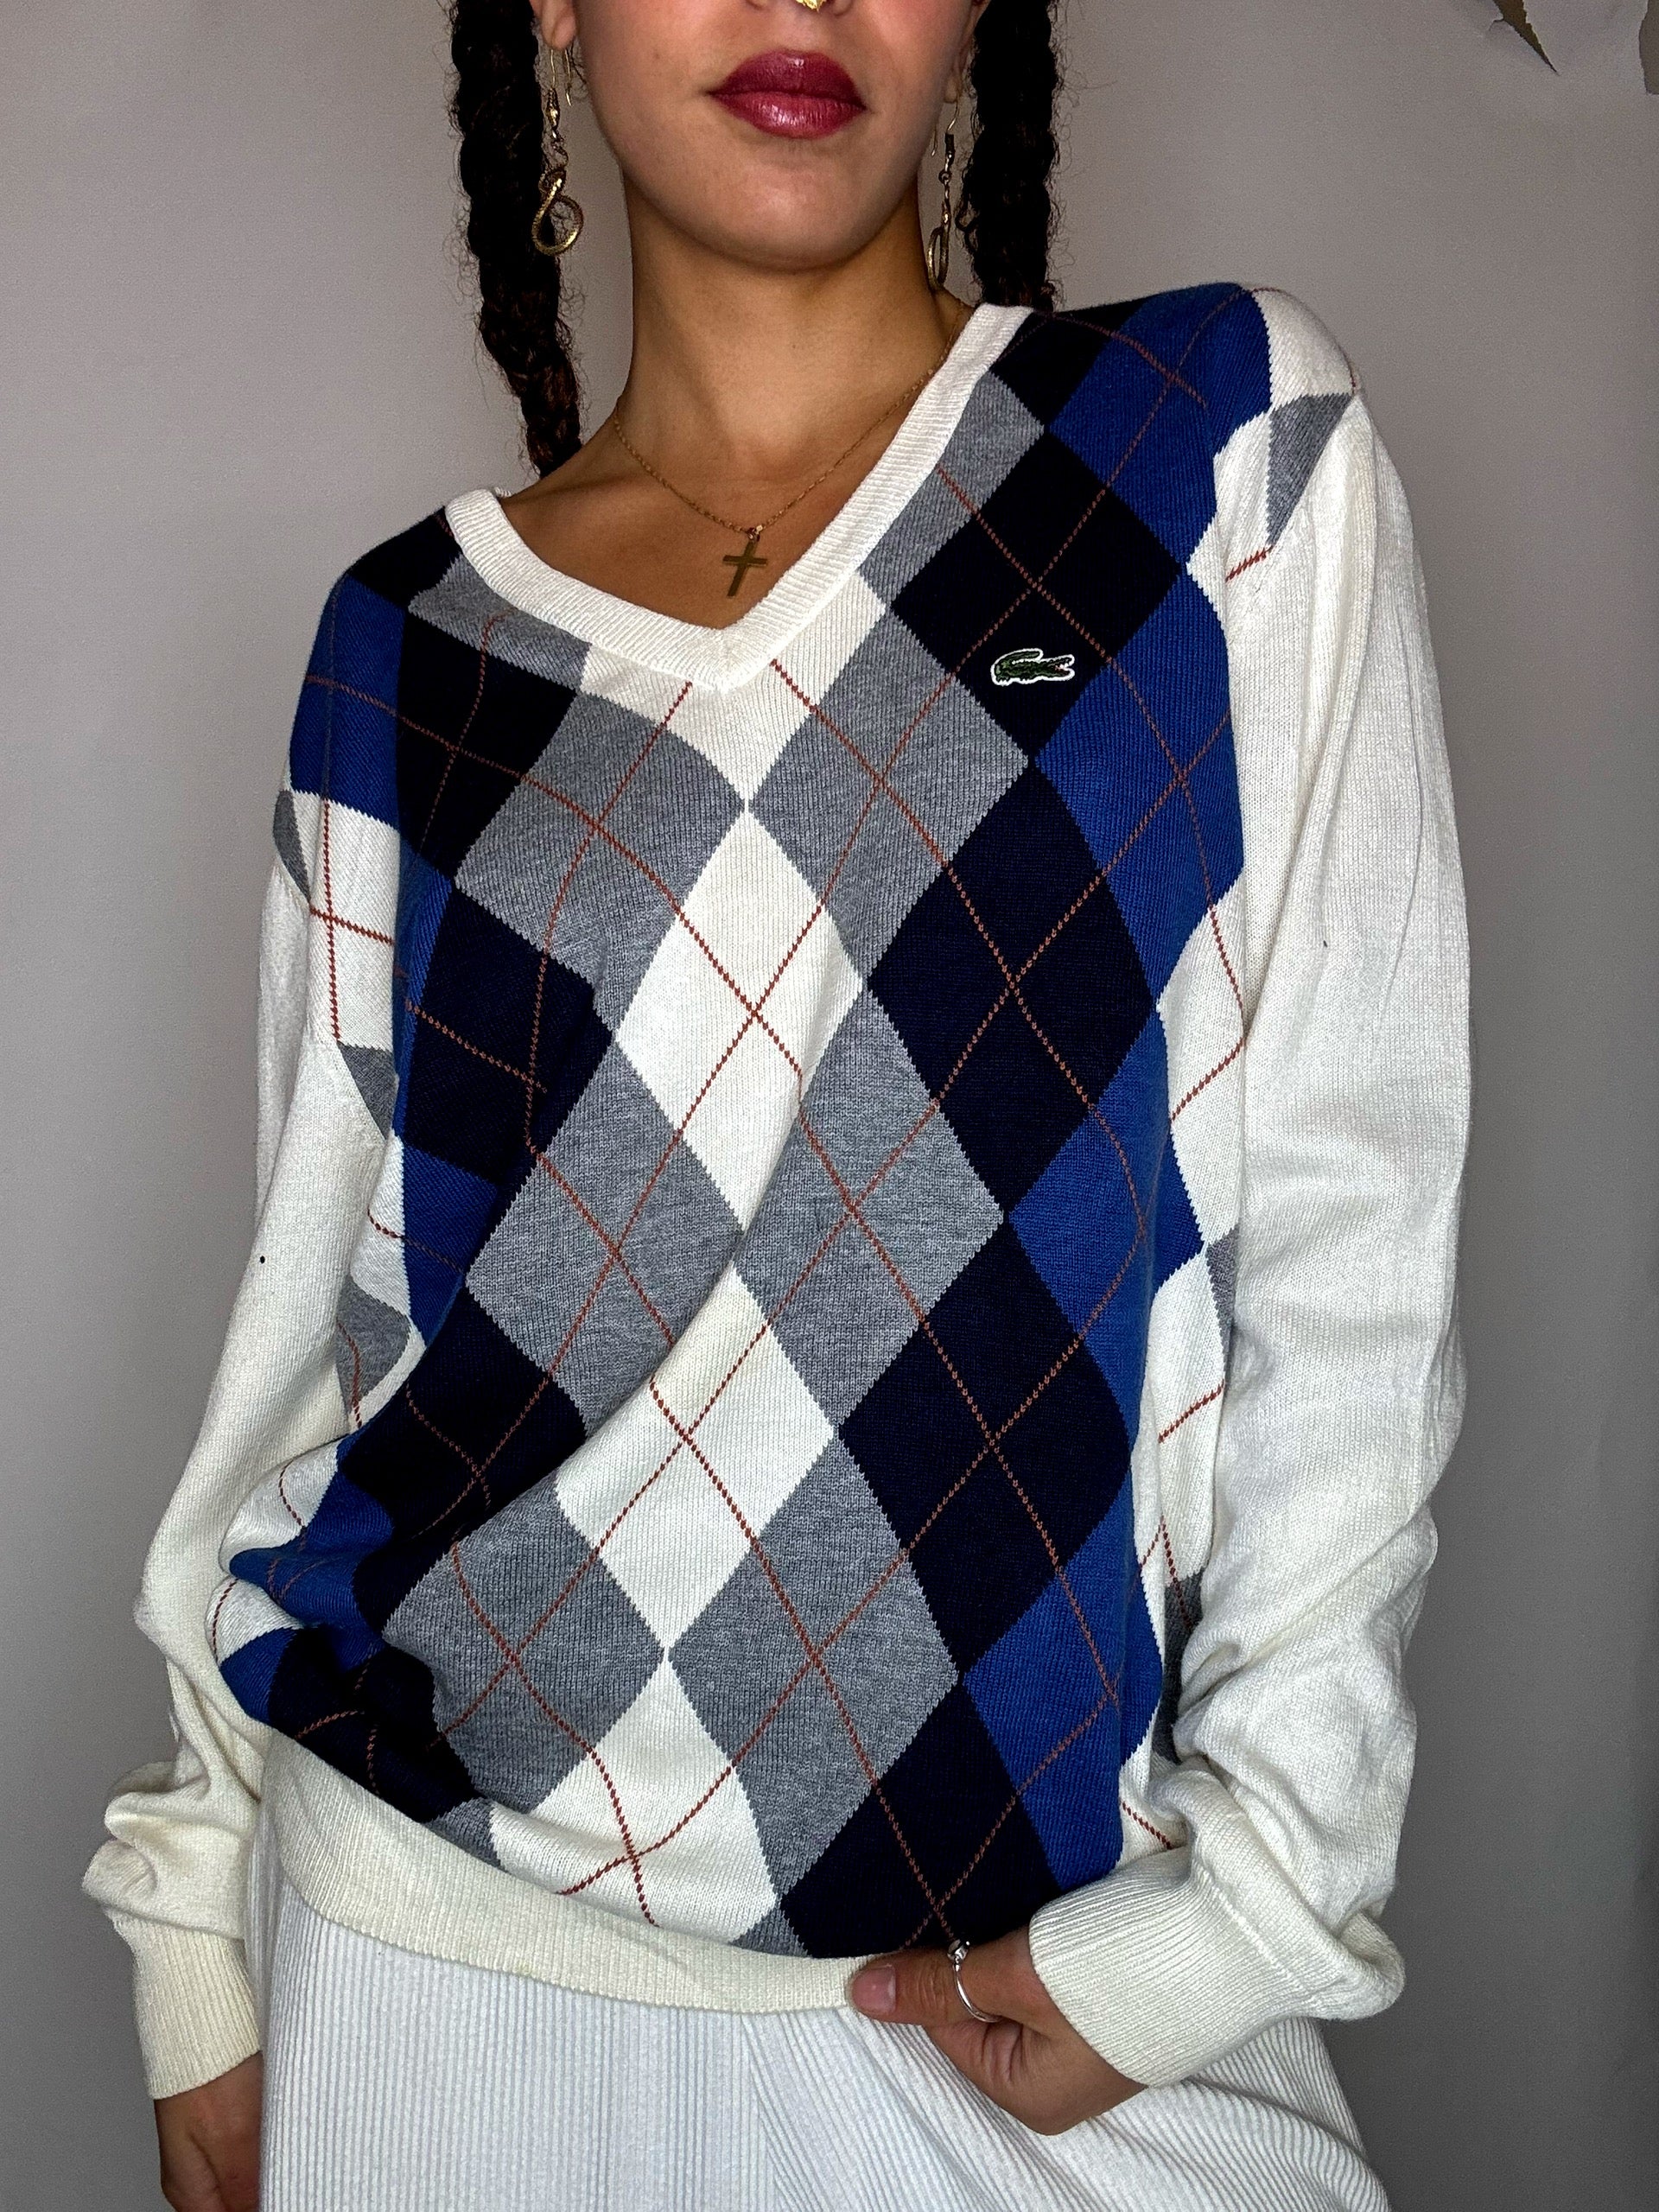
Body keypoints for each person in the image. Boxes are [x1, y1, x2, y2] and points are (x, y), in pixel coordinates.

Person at [85, 1, 1471, 2207]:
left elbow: (1353, 1208)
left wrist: (1253, 1906)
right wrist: (195, 1920)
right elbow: (309, 1334)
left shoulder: (1206, 447)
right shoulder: (408, 645)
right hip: (434, 1955)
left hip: (1018, 1960)